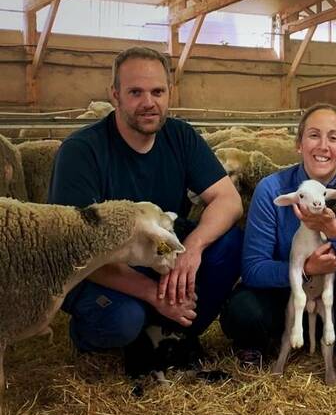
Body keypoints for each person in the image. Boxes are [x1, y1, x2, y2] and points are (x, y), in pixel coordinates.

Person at [49, 46, 244, 364]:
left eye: (157, 91)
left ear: (170, 93)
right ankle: (94, 334)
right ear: (115, 95)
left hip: (162, 257)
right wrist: (154, 294)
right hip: (102, 268)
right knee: (123, 320)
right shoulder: (81, 151)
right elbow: (76, 250)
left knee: (229, 242)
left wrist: (192, 250)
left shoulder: (180, 136)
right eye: (135, 92)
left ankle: (172, 331)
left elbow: (228, 200)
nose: (148, 103)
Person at [220, 103, 336, 373]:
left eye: (333, 137)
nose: (323, 146)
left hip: (335, 293)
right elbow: (253, 269)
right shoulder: (273, 189)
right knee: (242, 310)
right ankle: (263, 342)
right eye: (314, 135)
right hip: (283, 294)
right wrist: (306, 269)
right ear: (299, 144)